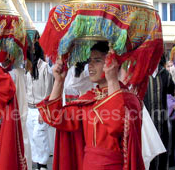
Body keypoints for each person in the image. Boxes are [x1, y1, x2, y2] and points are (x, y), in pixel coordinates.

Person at [37, 41, 144, 170]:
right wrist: (59, 81)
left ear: (113, 64)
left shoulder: (129, 100)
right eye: (89, 60)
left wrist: (112, 80)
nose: (90, 66)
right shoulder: (89, 99)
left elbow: (116, 126)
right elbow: (55, 117)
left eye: (97, 60)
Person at [143, 55, 175, 169]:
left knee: (162, 148)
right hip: (145, 122)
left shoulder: (165, 74)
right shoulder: (141, 74)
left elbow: (172, 88)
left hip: (162, 120)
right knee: (147, 151)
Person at [25, 42, 53, 170]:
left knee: (39, 136)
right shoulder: (27, 68)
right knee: (32, 138)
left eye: (32, 50)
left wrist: (44, 110)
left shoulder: (45, 67)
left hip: (40, 109)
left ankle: (43, 164)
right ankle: (36, 164)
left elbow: (49, 90)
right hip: (29, 108)